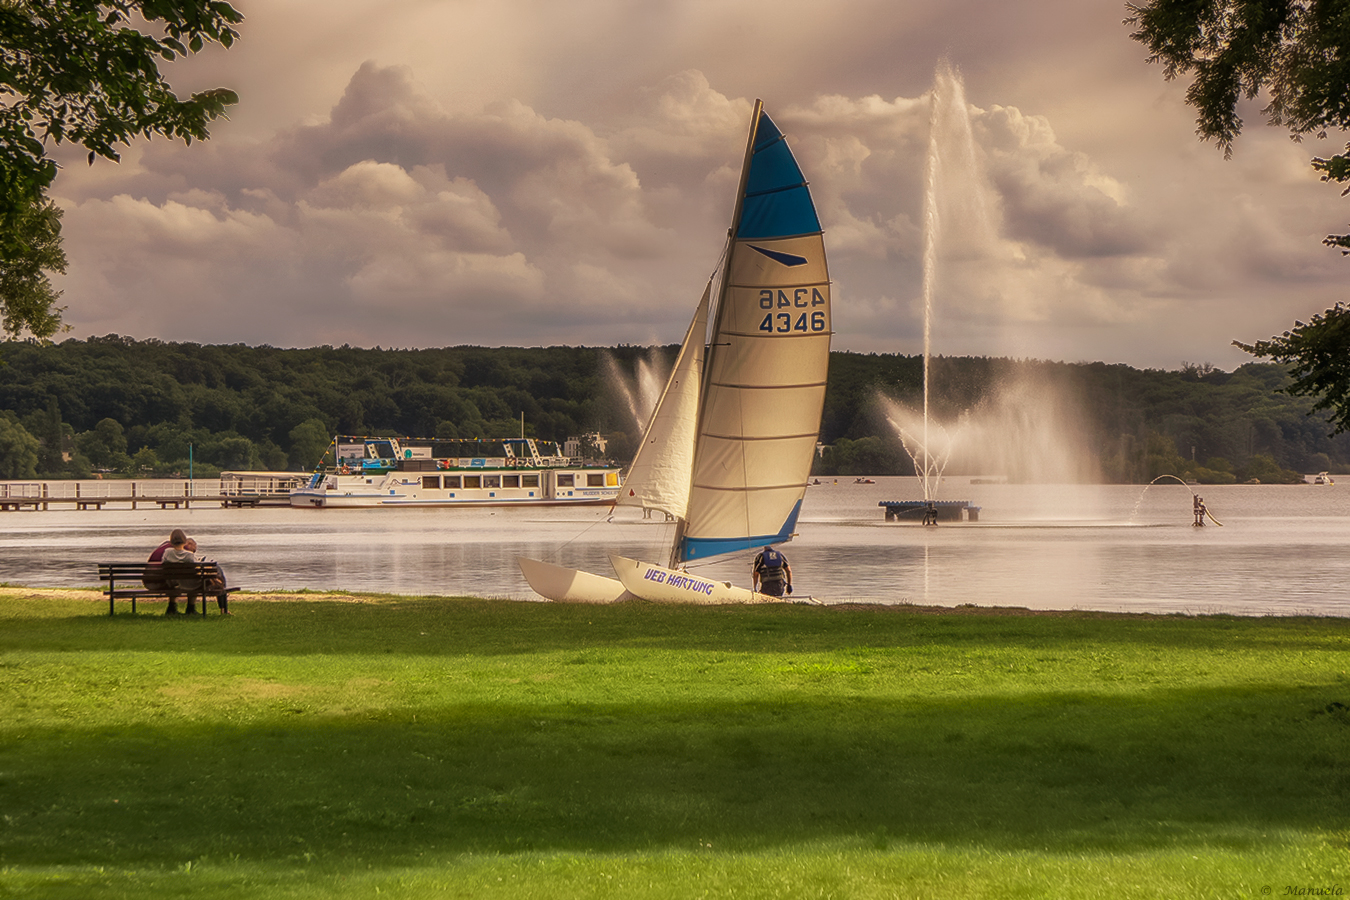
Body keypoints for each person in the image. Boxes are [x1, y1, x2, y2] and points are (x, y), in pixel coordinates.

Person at [160, 528, 233, 615]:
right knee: (217, 571)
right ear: (184, 541)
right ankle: (222, 608)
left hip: (177, 584)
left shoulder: (167, 553)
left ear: (171, 541)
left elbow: (163, 563)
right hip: (193, 585)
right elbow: (198, 568)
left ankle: (182, 609)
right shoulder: (189, 555)